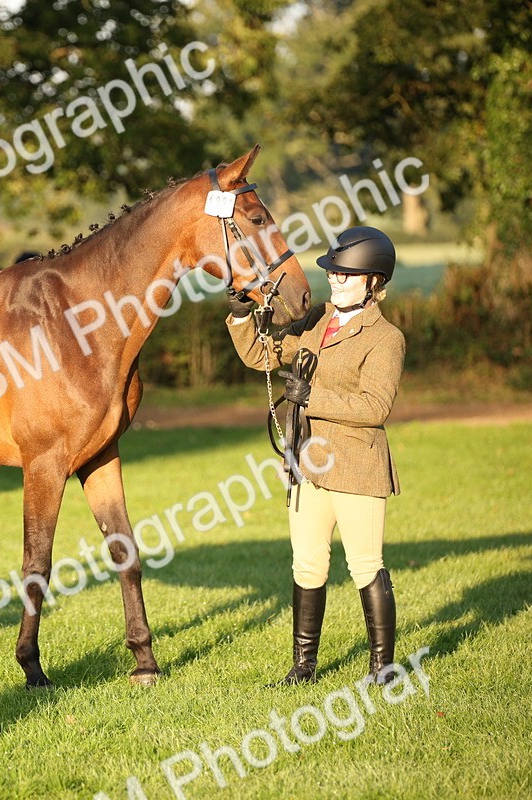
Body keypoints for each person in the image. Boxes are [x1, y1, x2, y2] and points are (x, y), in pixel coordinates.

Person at [224, 226, 404, 685]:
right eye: (334, 272)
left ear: (374, 283)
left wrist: (310, 398)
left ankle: (382, 668)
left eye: (347, 274)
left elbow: (375, 407)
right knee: (307, 564)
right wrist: (242, 315)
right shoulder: (316, 320)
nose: (336, 280)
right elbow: (262, 356)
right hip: (307, 462)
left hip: (357, 464)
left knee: (365, 565)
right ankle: (303, 667)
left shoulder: (386, 338)